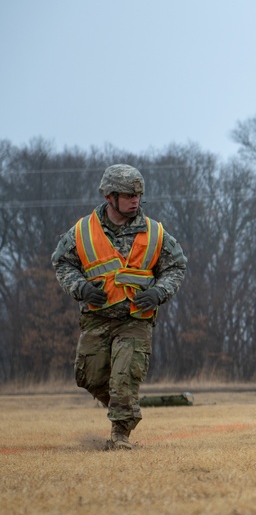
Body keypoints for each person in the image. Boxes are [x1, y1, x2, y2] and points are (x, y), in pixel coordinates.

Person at [52, 164, 187, 450]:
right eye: (128, 195)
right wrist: (82, 288)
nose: (135, 199)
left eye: (138, 194)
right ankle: (121, 403)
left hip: (135, 318)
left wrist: (158, 292)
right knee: (88, 376)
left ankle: (120, 435)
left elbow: (176, 266)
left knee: (124, 376)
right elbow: (62, 262)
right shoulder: (82, 231)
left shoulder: (155, 233)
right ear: (109, 197)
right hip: (96, 318)